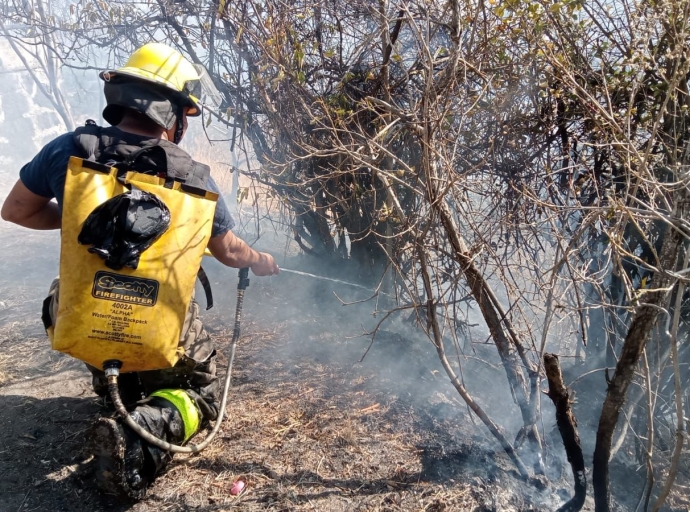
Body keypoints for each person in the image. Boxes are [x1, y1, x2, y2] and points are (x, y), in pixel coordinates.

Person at [0, 42, 279, 499]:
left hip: (75, 314)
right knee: (202, 396)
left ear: (122, 96)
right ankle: (135, 442)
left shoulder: (69, 150)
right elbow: (229, 251)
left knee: (110, 345)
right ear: (176, 115)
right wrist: (260, 261)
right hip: (153, 327)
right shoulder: (193, 176)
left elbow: (16, 211)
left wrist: (78, 219)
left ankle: (122, 391)